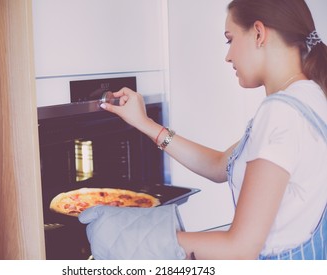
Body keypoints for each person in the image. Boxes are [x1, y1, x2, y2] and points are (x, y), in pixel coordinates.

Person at [79, 0, 327, 260]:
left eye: (229, 40)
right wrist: (145, 123)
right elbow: (220, 165)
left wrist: (132, 237)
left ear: (258, 32)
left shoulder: (280, 112)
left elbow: (240, 247)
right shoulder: (310, 97)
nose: (228, 55)